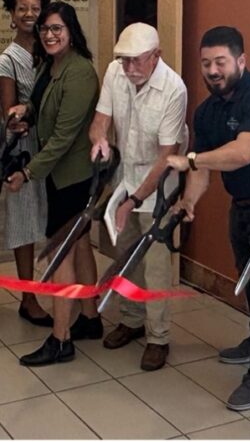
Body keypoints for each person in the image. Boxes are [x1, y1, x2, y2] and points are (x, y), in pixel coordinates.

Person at [167, 26, 250, 411]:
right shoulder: (207, 111)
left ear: (241, 61)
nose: (212, 70)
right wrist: (189, 200)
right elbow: (204, 170)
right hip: (241, 204)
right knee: (248, 279)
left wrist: (190, 159)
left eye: (220, 62)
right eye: (206, 63)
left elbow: (243, 153)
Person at [6, 1, 101, 366]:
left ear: (71, 31)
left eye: (56, 28)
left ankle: (61, 339)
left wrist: (27, 174)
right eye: (45, 29)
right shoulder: (51, 65)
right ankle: (90, 319)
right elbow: (38, 101)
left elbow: (63, 137)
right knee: (78, 247)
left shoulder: (80, 73)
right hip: (63, 177)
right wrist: (24, 110)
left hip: (74, 177)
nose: (49, 34)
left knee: (61, 252)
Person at [89, 23, 188, 371]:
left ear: (156, 57)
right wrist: (99, 138)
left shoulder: (173, 89)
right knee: (125, 254)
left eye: (136, 61)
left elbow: (167, 156)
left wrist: (135, 199)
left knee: (156, 266)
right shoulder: (115, 73)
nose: (128, 68)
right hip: (125, 177)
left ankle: (158, 337)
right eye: (124, 60)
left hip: (160, 184)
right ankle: (130, 321)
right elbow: (101, 119)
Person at [0, 0, 52, 327]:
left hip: (56, 149)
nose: (29, 14)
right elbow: (8, 112)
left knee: (56, 221)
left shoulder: (54, 50)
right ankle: (28, 298)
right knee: (24, 224)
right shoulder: (8, 60)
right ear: (12, 15)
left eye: (35, 7)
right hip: (27, 151)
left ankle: (61, 291)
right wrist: (20, 119)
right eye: (22, 8)